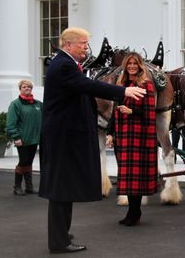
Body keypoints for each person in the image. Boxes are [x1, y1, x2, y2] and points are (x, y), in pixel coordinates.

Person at [38, 27, 146, 254]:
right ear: (68, 45)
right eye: (83, 44)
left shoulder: (65, 63)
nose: (86, 48)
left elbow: (83, 91)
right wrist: (123, 91)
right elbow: (89, 86)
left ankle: (61, 235)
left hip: (64, 136)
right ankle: (59, 242)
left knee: (63, 189)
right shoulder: (64, 65)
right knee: (60, 190)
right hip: (63, 138)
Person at [105, 52, 157, 227]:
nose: (132, 66)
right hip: (123, 135)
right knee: (126, 175)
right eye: (129, 64)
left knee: (136, 176)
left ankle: (134, 212)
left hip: (139, 136)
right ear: (125, 66)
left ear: (140, 65)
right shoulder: (122, 85)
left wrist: (132, 111)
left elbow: (150, 113)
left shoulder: (146, 85)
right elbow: (115, 110)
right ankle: (132, 212)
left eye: (135, 63)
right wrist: (110, 133)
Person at [6, 80, 43, 196]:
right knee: (23, 162)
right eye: (24, 87)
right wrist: (16, 137)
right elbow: (11, 123)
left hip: (34, 139)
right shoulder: (15, 104)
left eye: (29, 87)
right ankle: (16, 187)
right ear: (20, 89)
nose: (27, 88)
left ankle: (29, 187)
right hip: (22, 140)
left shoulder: (38, 104)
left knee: (29, 162)